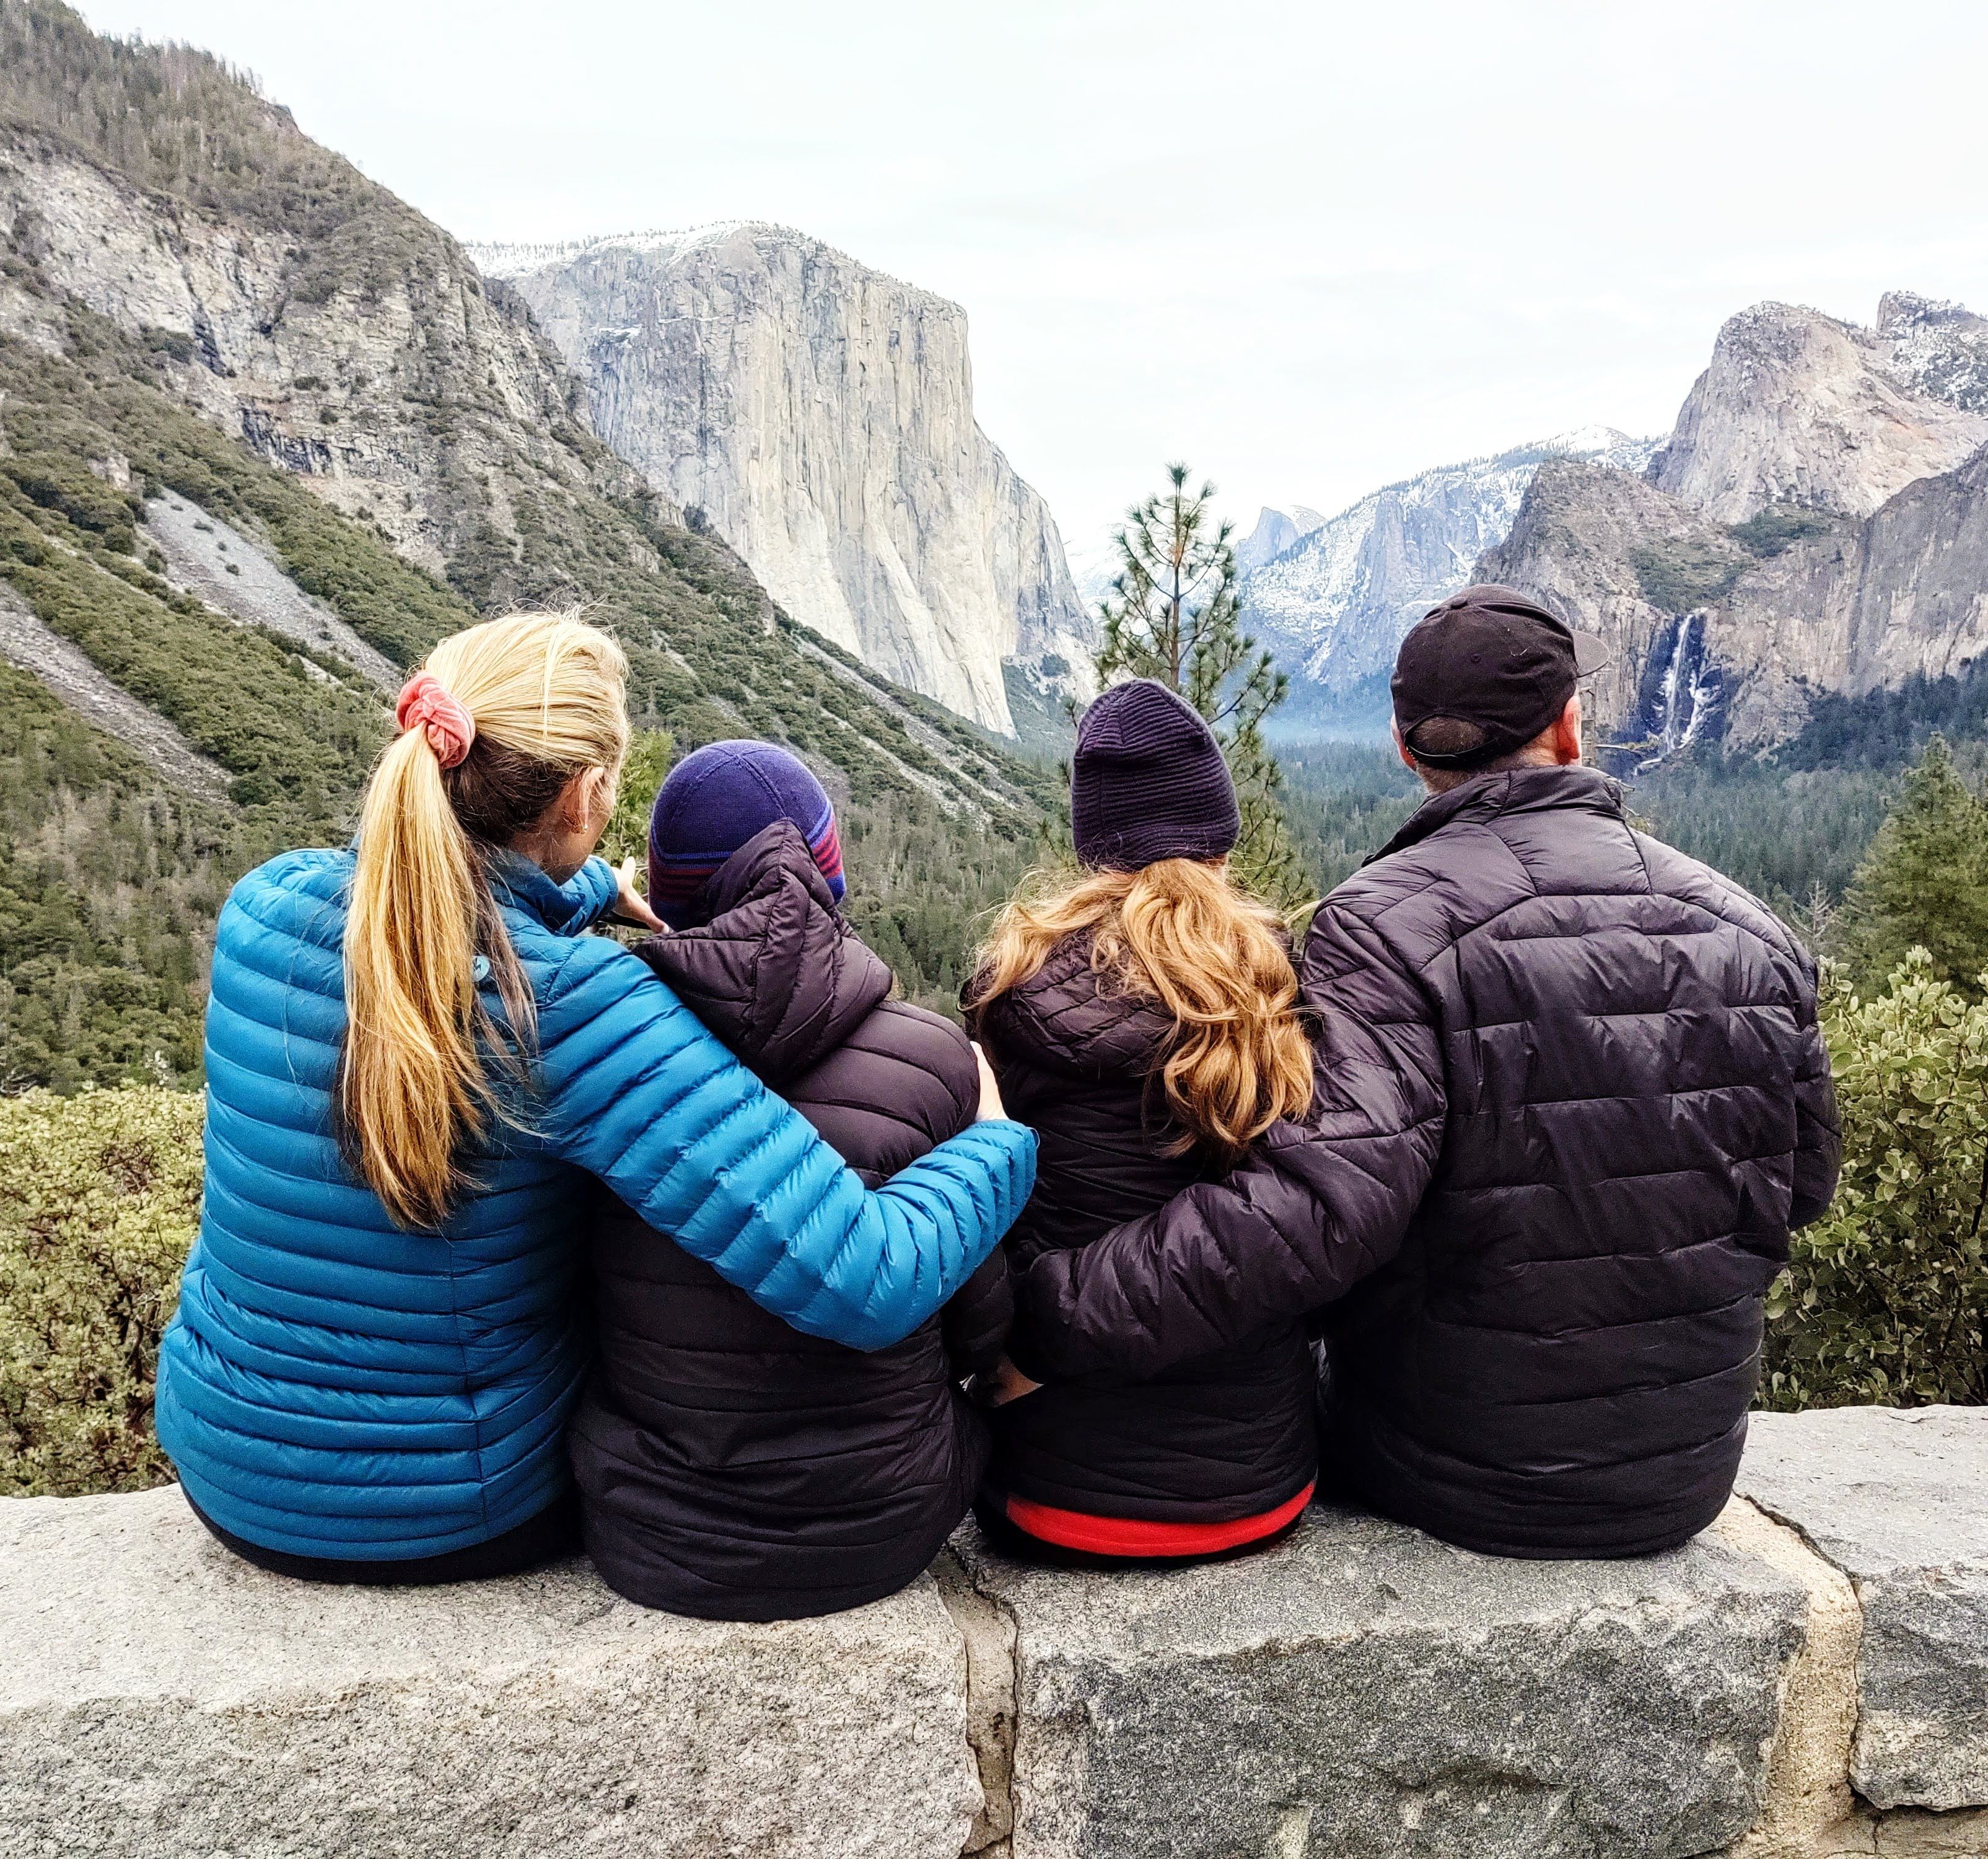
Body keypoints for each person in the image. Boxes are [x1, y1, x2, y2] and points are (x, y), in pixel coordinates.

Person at [155, 613, 1036, 1583]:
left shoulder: (267, 906)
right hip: (452, 1509)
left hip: (223, 1467)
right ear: (582, 796)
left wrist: (579, 895)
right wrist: (997, 1133)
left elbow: (433, 903)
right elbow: (863, 1279)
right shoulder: (572, 1005)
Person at [999, 586, 1838, 1560]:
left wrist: (1043, 1322)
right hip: (1684, 1476)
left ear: (1408, 748)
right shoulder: (1751, 928)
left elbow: (1323, 1210)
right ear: (1571, 728)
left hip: (1452, 1467)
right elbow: (1802, 1188)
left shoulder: (1386, 923)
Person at [569, 742, 1010, 1620]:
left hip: (653, 1532)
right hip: (883, 1525)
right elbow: (982, 1332)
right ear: (828, 875)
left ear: (664, 892)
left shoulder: (597, 1051)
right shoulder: (931, 1058)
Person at [965, 679, 1320, 1566]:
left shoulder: (1010, 991)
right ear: (1221, 838)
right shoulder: (1282, 991)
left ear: (1094, 847)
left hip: (1055, 1491)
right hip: (1264, 1487)